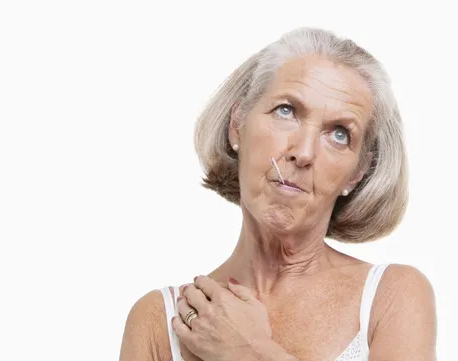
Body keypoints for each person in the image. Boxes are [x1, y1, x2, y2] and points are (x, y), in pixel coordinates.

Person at [119, 27, 437, 361]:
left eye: (340, 134)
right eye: (286, 111)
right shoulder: (160, 320)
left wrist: (249, 351)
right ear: (237, 125)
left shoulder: (392, 297)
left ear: (357, 173)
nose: (303, 152)